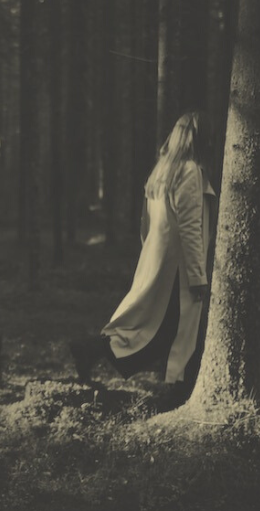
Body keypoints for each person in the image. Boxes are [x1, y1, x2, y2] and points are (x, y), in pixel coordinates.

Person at [72, 111, 216, 407]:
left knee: (151, 326)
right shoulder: (189, 171)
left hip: (159, 260)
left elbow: (145, 224)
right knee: (172, 331)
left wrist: (150, 254)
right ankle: (177, 389)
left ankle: (93, 349)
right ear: (199, 139)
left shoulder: (162, 170)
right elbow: (190, 229)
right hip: (178, 268)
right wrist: (198, 275)